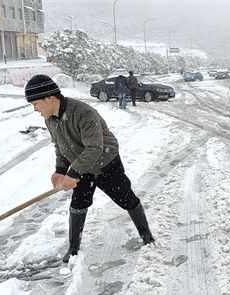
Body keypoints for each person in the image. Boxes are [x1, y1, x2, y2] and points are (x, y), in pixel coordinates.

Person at [24, 75, 155, 263]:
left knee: (126, 198)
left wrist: (73, 173)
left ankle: (146, 235)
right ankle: (73, 248)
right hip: (81, 166)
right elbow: (59, 146)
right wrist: (60, 169)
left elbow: (95, 148)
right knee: (78, 204)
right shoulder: (50, 119)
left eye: (36, 103)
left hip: (105, 163)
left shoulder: (83, 113)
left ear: (49, 98)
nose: (35, 109)